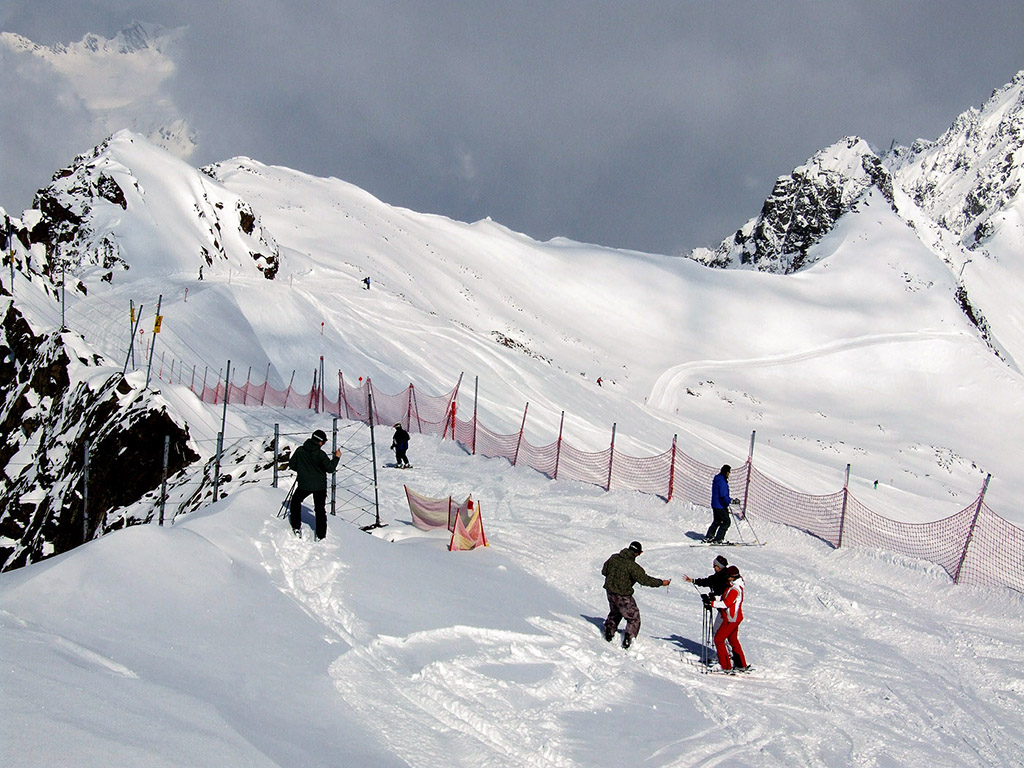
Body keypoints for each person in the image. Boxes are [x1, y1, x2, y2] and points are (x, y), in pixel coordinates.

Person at [601, 541, 671, 649]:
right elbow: (644, 580)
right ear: (637, 553)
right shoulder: (632, 566)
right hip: (622, 595)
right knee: (633, 617)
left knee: (615, 612)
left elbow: (604, 571)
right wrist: (661, 583)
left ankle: (608, 633)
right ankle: (629, 640)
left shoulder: (614, 558)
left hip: (610, 591)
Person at [685, 555, 741, 667]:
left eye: (715, 566)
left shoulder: (722, 577)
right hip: (724, 610)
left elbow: (710, 582)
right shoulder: (725, 574)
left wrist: (712, 600)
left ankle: (726, 658)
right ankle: (731, 657)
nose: (714, 568)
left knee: (718, 634)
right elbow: (709, 581)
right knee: (724, 635)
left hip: (725, 611)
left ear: (719, 566)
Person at [288, 429, 341, 540]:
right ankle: (321, 535)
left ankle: (296, 527)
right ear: (320, 442)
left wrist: (303, 470)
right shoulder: (320, 454)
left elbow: (292, 465)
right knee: (320, 509)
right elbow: (330, 469)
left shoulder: (300, 450)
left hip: (304, 484)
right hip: (320, 486)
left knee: (295, 501)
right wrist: (337, 458)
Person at [711, 565, 749, 673]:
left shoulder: (735, 589)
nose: (726, 578)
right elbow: (725, 599)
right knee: (733, 640)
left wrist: (712, 603)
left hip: (731, 618)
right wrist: (714, 598)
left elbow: (726, 603)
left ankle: (725, 666)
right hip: (734, 618)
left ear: (733, 576)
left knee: (718, 639)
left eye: (728, 576)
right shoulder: (733, 586)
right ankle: (741, 664)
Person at [704, 464, 734, 543]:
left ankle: (709, 536)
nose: (729, 474)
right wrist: (730, 501)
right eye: (728, 472)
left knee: (717, 521)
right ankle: (718, 539)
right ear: (726, 472)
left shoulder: (717, 479)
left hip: (715, 504)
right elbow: (723, 495)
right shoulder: (722, 481)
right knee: (726, 522)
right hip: (721, 505)